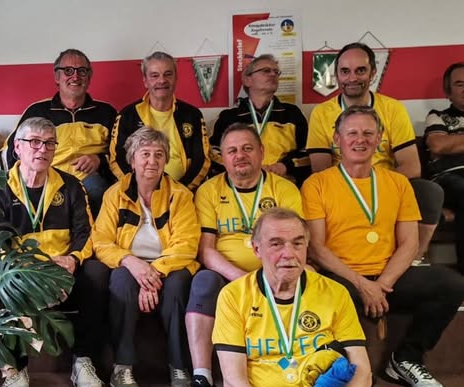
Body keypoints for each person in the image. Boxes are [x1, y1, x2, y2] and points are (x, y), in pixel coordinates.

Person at [301, 106, 464, 387]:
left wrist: (382, 284)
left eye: (368, 133)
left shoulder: (397, 183)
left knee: (451, 285)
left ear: (379, 139)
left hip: (388, 277)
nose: (360, 139)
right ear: (337, 139)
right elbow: (317, 247)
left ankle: (406, 359)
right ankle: (351, 370)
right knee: (330, 294)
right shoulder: (317, 184)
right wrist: (363, 284)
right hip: (342, 277)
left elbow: (410, 243)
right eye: (352, 133)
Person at [176, 123, 304, 387]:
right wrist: (246, 279)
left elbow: (294, 243)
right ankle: (202, 380)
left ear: (262, 152)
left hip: (276, 270)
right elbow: (206, 249)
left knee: (305, 277)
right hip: (226, 274)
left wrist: (269, 275)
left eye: (247, 148)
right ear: (222, 158)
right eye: (232, 151)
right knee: (203, 282)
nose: (240, 155)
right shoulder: (209, 190)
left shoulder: (284, 189)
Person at [0, 117, 109, 387]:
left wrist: (72, 259)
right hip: (20, 271)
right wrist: (32, 269)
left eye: (49, 143)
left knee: (97, 274)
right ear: (17, 147)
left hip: (64, 268)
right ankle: (15, 369)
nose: (42, 149)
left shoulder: (71, 186)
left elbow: (86, 233)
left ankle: (83, 362)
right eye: (34, 142)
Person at [212, 208, 371, 387]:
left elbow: (361, 370)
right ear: (257, 249)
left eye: (297, 243)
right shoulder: (233, 295)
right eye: (276, 244)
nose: (289, 253)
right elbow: (234, 380)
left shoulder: (336, 293)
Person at [306, 42, 444, 265]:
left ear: (373, 73)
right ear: (337, 75)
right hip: (340, 186)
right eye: (345, 71)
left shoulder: (393, 108)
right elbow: (320, 169)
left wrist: (375, 186)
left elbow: (412, 166)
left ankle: (413, 259)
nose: (352, 78)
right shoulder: (321, 113)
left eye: (360, 70)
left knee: (429, 192)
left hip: (388, 183)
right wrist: (353, 186)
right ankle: (333, 263)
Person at [92, 126, 200, 387]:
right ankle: (122, 367)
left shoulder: (180, 195)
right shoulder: (114, 194)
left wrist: (153, 273)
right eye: (145, 154)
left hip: (169, 266)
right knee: (121, 280)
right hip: (130, 265)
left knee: (178, 284)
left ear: (166, 161)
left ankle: (179, 366)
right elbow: (101, 242)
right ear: (132, 160)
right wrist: (131, 262)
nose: (152, 161)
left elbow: (187, 244)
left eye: (159, 155)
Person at [0, 48, 117, 218]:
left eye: (82, 71)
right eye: (68, 71)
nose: (75, 77)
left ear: (89, 77)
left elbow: (122, 154)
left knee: (98, 190)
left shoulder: (106, 112)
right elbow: (12, 152)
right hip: (47, 178)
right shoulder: (37, 111)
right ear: (57, 77)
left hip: (90, 181)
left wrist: (99, 160)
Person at [109, 51, 210, 191]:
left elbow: (202, 160)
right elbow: (117, 159)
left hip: (184, 192)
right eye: (154, 75)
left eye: (168, 74)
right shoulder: (128, 115)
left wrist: (181, 191)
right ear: (145, 81)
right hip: (139, 193)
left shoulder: (192, 115)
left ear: (176, 78)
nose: (162, 80)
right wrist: (138, 189)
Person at [210, 54, 310, 185]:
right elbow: (213, 151)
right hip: (240, 187)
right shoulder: (229, 117)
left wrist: (285, 165)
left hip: (284, 184)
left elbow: (308, 150)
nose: (273, 74)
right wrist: (242, 167)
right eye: (266, 71)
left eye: (276, 72)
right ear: (247, 80)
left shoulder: (292, 113)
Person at [424, 62, 464, 273]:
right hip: (449, 179)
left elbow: (447, 145)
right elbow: (438, 144)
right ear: (448, 92)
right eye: (459, 84)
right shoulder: (437, 116)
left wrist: (454, 143)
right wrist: (447, 145)